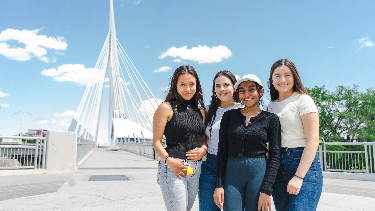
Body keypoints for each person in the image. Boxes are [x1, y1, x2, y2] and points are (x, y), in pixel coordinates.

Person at [213, 74, 281, 211]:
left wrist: (267, 189)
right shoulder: (229, 116)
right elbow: (222, 152)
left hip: (258, 175)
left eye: (251, 89)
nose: (247, 94)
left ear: (260, 92)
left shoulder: (271, 119)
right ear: (238, 94)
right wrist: (219, 185)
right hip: (232, 175)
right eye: (242, 91)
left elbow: (275, 155)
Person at [268, 59, 323, 211]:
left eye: (287, 75)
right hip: (278, 166)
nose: (282, 80)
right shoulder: (270, 106)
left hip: (302, 165)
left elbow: (313, 140)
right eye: (277, 76)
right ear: (271, 80)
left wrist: (299, 177)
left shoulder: (303, 100)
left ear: (295, 78)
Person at [152, 65, 207, 211]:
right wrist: (169, 161)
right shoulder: (166, 108)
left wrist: (203, 149)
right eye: (182, 84)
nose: (187, 89)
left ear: (197, 85)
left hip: (195, 170)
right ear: (175, 86)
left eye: (191, 84)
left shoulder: (201, 111)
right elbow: (156, 142)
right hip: (173, 168)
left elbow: (202, 139)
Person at [199, 70, 241, 211]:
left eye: (226, 85)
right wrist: (203, 148)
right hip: (210, 166)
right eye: (217, 86)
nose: (222, 89)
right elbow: (203, 139)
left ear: (234, 88)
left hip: (235, 167)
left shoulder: (243, 110)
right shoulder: (208, 110)